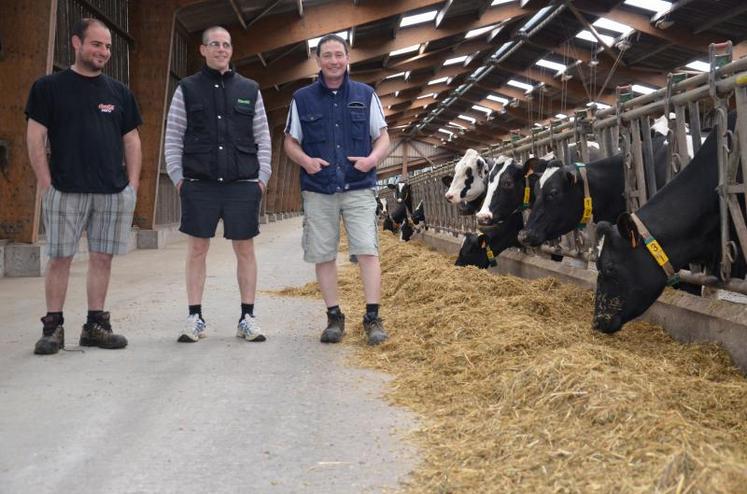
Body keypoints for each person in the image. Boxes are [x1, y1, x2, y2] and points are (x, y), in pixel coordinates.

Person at [25, 18, 142, 355]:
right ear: (76, 43)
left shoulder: (119, 93)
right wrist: (46, 182)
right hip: (65, 188)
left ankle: (95, 326)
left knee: (102, 259)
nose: (103, 51)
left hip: (111, 191)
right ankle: (53, 328)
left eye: (107, 46)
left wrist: (131, 185)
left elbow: (132, 140)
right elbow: (35, 136)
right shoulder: (48, 87)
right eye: (96, 44)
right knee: (60, 257)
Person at [164, 26, 272, 343]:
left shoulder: (250, 89)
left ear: (231, 50)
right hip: (200, 184)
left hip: (242, 184)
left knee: (245, 250)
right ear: (203, 49)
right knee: (197, 249)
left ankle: (247, 318)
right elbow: (173, 137)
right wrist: (179, 179)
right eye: (215, 44)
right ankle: (195, 317)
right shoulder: (187, 89)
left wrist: (261, 180)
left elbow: (263, 137)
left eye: (226, 44)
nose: (221, 49)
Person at [283, 34, 390, 346]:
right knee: (323, 254)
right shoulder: (302, 98)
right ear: (318, 60)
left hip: (358, 186)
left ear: (347, 58)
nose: (333, 61)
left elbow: (383, 136)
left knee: (367, 251)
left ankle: (373, 317)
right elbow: (290, 141)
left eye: (338, 55)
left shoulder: (365, 94)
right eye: (326, 55)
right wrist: (305, 160)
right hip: (319, 188)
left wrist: (372, 159)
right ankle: (334, 317)